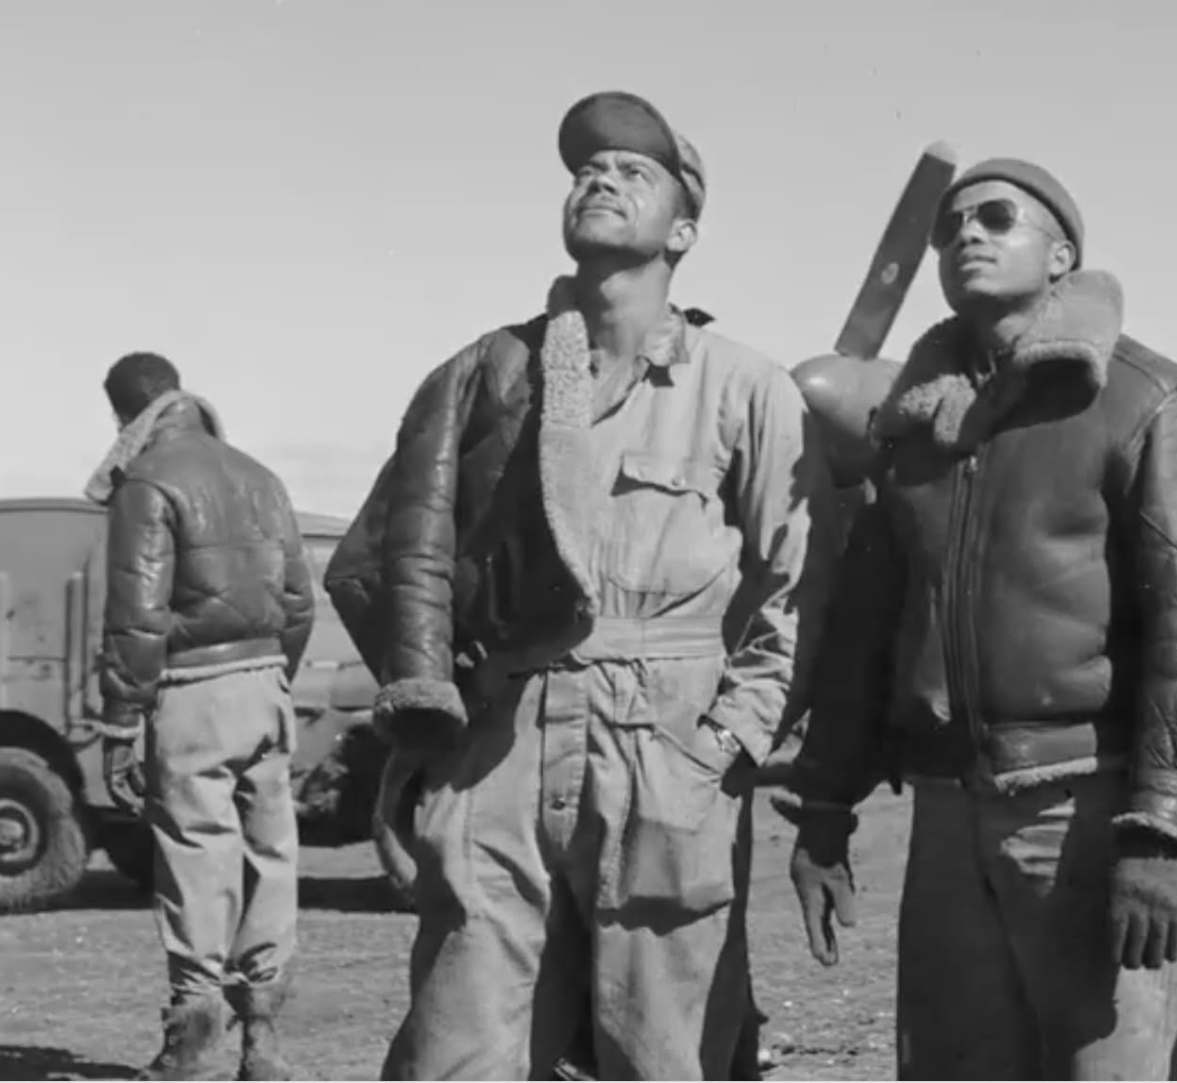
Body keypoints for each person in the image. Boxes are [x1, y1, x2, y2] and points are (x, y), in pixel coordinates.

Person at [322, 90, 821, 1080]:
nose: (600, 179)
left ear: (684, 230)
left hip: (665, 747)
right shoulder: (488, 376)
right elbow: (379, 561)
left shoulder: (745, 387)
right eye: (587, 170)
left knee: (661, 1047)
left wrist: (729, 740)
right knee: (458, 1045)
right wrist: (437, 709)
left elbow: (794, 589)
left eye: (634, 173)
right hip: (501, 739)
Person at [784, 158, 1177, 1079]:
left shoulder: (1146, 400)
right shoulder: (912, 427)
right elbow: (862, 634)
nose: (967, 235)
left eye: (998, 217)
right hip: (947, 820)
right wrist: (825, 807)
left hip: (1086, 807)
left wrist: (1157, 834)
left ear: (1062, 255)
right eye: (950, 226)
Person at [86, 351, 317, 1081]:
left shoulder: (147, 480)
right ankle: (265, 1043)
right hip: (266, 683)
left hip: (193, 691)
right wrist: (276, 678)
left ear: (125, 414)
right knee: (270, 856)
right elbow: (300, 601)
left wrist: (121, 721)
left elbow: (136, 614)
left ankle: (190, 1034)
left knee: (196, 854)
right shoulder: (259, 476)